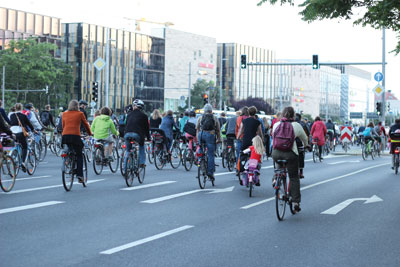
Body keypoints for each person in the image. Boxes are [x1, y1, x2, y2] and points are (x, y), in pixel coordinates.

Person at [271, 106, 308, 213]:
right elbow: (304, 139)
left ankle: (275, 178)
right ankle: (296, 202)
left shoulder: (277, 124)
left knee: (279, 167)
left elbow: (273, 136)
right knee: (293, 177)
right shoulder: (296, 125)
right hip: (290, 154)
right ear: (293, 115)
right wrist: (306, 145)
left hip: (276, 153)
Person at [62, 100, 92, 183]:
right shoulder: (80, 114)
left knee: (69, 149)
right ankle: (80, 175)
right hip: (75, 136)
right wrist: (90, 133)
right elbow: (86, 124)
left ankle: (68, 162)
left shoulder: (64, 114)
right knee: (79, 155)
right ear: (77, 106)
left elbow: (64, 125)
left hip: (65, 136)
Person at [196, 104, 221, 181]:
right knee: (210, 154)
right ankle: (210, 172)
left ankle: (202, 166)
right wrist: (219, 138)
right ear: (211, 111)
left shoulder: (200, 117)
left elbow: (197, 128)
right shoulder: (214, 117)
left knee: (201, 150)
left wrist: (198, 139)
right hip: (210, 134)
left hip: (201, 134)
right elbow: (218, 130)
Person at [9, 103, 35, 171]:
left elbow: (10, 123)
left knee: (15, 144)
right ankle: (23, 162)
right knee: (25, 147)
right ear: (21, 108)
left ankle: (13, 156)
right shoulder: (23, 116)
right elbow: (29, 124)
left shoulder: (12, 115)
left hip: (12, 133)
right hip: (20, 133)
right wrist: (33, 130)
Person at [124, 99, 150, 168]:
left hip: (127, 134)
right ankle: (141, 162)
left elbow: (126, 125)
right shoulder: (144, 116)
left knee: (128, 150)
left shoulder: (129, 115)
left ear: (134, 106)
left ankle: (125, 169)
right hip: (137, 134)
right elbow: (146, 128)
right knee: (142, 146)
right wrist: (148, 137)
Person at [295, 113, 309, 178]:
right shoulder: (302, 124)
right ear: (300, 118)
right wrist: (307, 144)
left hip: (290, 142)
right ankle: (301, 172)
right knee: (301, 155)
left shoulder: (290, 123)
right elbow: (307, 134)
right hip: (299, 142)